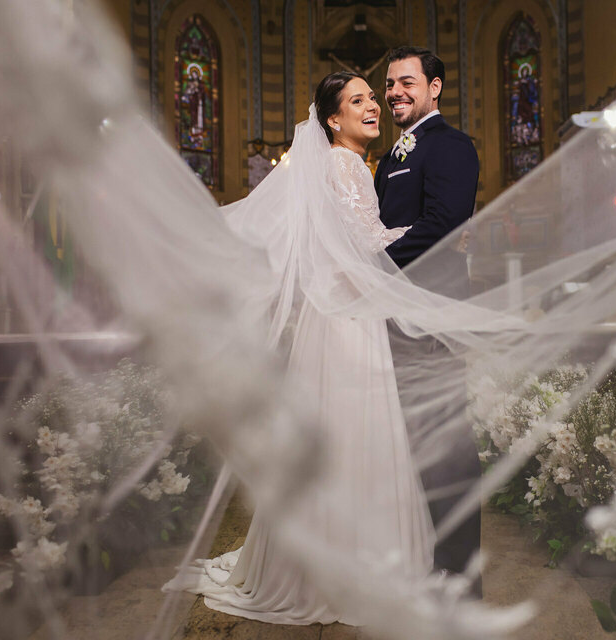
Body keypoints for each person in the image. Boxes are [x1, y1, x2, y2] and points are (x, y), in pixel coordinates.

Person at [162, 71, 435, 624]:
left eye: (371, 98)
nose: (372, 107)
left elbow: (348, 243)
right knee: (353, 431)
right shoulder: (343, 164)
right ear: (332, 120)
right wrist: (428, 232)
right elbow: (364, 246)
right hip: (347, 320)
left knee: (339, 433)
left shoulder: (343, 165)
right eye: (358, 101)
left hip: (335, 316)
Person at [375, 46, 483, 592]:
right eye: (390, 83)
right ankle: (420, 557)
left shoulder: (451, 146)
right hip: (392, 319)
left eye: (407, 82)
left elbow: (442, 224)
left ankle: (459, 572)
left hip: (434, 320)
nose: (395, 91)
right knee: (406, 445)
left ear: (435, 87)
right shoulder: (389, 156)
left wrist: (370, 267)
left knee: (447, 447)